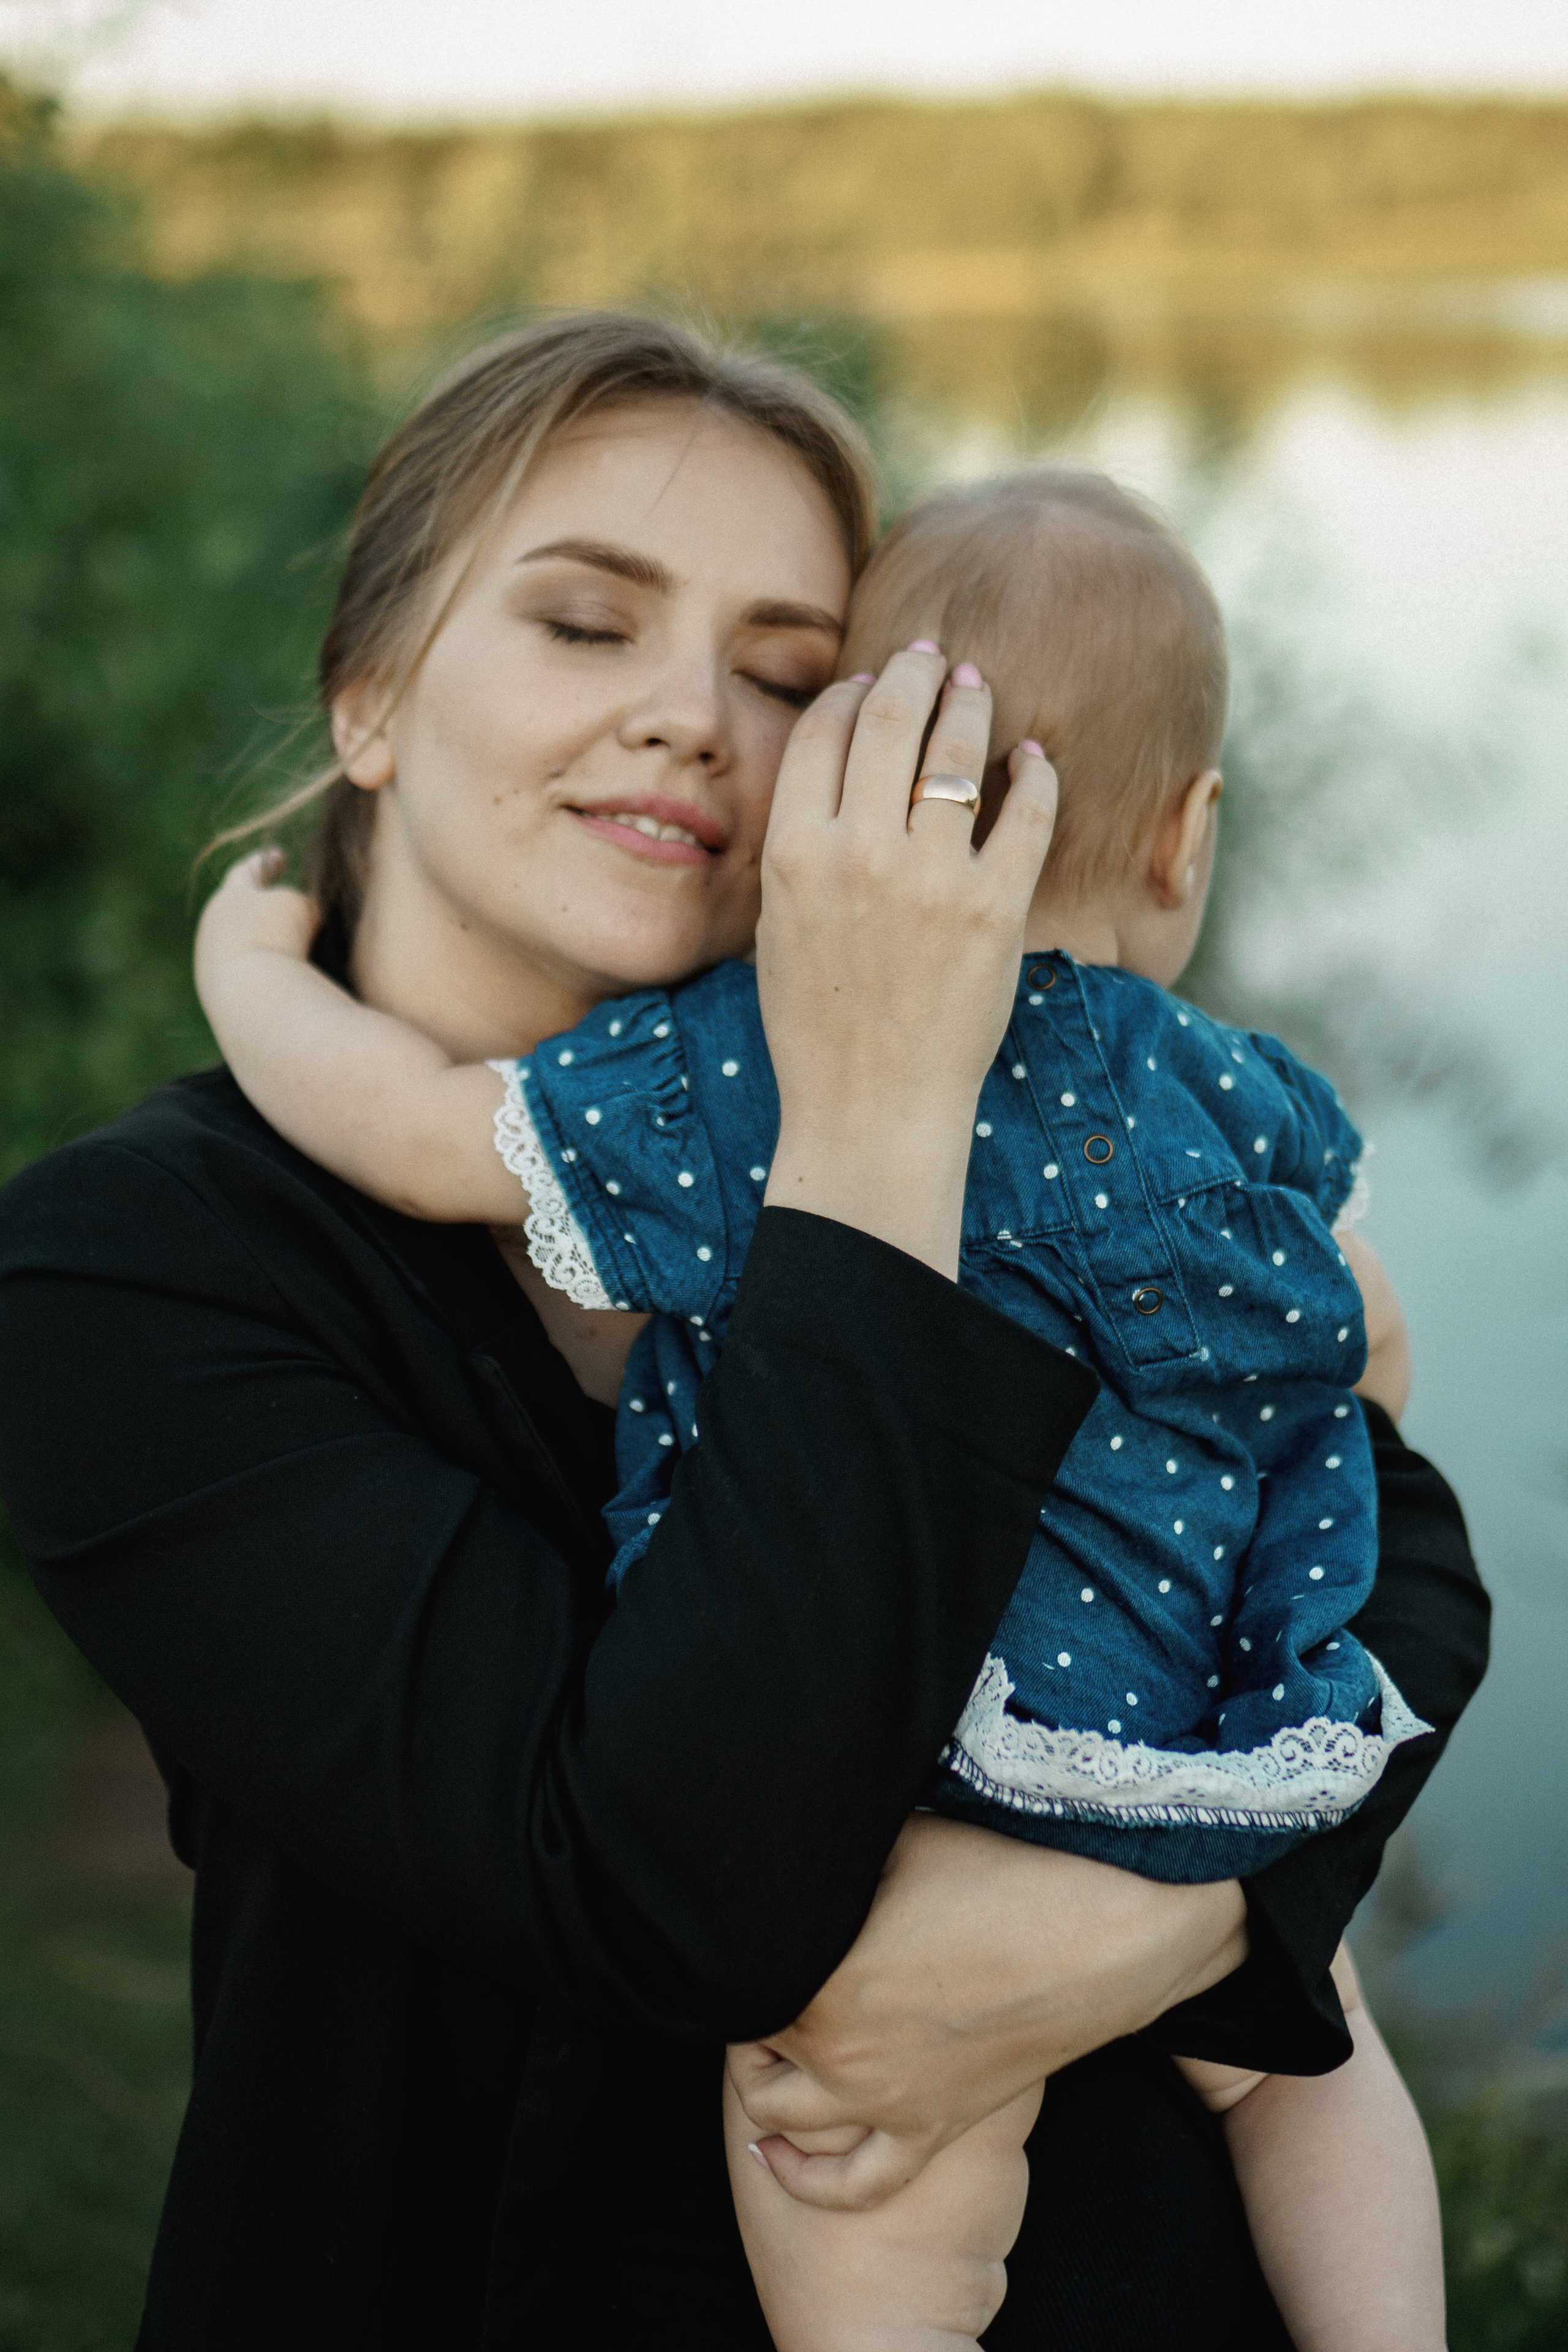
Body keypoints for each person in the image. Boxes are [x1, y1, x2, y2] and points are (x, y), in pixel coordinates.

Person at [0, 315, 1489, 2351]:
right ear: (369, 696)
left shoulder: (1013, 1107)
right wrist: (869, 1111)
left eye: (790, 673)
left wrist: (1177, 1916)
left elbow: (1400, 1547)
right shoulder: (137, 1266)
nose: (696, 717)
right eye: (586, 624)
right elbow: (679, 1883)